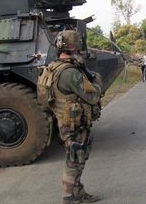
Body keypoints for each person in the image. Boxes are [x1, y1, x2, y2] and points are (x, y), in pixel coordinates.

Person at [39, 30, 102, 204]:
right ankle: (69, 197)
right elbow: (93, 96)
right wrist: (96, 79)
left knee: (77, 159)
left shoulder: (53, 66)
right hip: (74, 125)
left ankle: (78, 192)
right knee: (74, 161)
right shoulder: (70, 73)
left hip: (65, 121)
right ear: (74, 46)